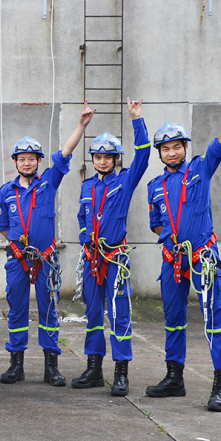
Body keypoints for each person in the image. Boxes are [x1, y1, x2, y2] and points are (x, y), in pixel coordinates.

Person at [146, 83, 221, 412]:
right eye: (165, 148)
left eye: (176, 146)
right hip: (172, 261)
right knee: (173, 319)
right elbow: (155, 222)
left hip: (203, 258)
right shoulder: (154, 186)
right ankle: (175, 378)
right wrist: (169, 237)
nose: (171, 152)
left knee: (214, 318)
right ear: (159, 153)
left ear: (185, 147)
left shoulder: (201, 167)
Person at [0, 102, 95, 385]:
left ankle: (51, 365)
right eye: (21, 158)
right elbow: (2, 226)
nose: (27, 162)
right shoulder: (6, 192)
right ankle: (16, 364)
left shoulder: (49, 182)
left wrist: (82, 125)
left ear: (39, 161)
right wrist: (16, 247)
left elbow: (66, 152)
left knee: (49, 310)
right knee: (16, 309)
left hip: (46, 260)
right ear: (14, 162)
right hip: (17, 259)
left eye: (32, 158)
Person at [72, 98, 149, 396]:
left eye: (108, 157)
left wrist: (136, 119)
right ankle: (93, 368)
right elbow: (82, 216)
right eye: (98, 156)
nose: (102, 161)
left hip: (115, 259)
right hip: (92, 260)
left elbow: (143, 155)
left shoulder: (126, 181)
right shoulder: (87, 186)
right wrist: (83, 237)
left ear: (116, 158)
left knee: (119, 315)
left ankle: (121, 373)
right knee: (93, 315)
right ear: (92, 159)